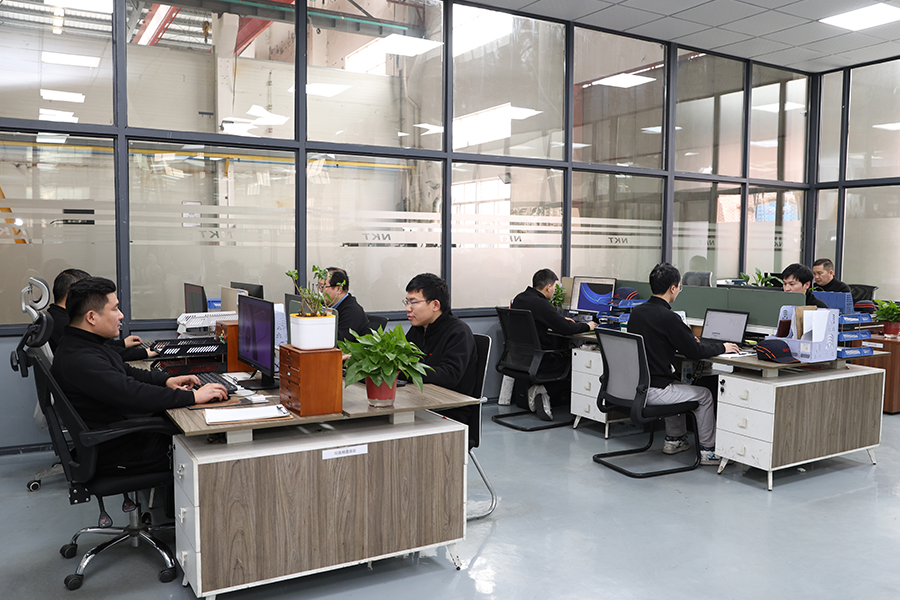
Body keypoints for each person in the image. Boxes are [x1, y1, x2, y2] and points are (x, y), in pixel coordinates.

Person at [51, 277, 228, 476]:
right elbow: (132, 393)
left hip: (120, 437)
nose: (121, 315)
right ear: (91, 317)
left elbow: (126, 372)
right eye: (115, 309)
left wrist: (166, 380)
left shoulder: (83, 344)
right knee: (208, 441)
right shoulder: (81, 358)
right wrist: (193, 396)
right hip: (122, 450)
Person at [627, 263, 740, 466]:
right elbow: (694, 352)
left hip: (636, 387)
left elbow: (658, 340)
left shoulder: (637, 312)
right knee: (704, 395)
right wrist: (723, 347)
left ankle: (675, 439)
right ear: (673, 288)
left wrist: (684, 340)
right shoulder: (669, 317)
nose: (679, 290)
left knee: (677, 384)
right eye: (679, 286)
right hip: (655, 389)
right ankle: (708, 450)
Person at [511, 268, 596, 420]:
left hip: (518, 358)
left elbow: (543, 319)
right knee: (574, 362)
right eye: (555, 287)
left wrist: (559, 320)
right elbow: (566, 329)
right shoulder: (540, 303)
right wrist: (588, 326)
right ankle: (542, 389)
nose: (554, 290)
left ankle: (540, 390)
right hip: (540, 361)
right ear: (548, 287)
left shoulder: (520, 298)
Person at [403, 273, 479, 444]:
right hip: (418, 402)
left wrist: (404, 372)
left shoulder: (458, 332)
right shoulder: (418, 329)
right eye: (407, 302)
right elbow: (401, 359)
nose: (408, 308)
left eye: (413, 302)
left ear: (435, 305)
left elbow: (449, 376)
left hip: (449, 411)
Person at [47, 268, 154, 360]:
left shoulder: (57, 316)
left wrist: (122, 343)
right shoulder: (66, 325)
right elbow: (102, 351)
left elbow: (100, 345)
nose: (121, 316)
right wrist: (144, 353)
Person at [320, 267, 369, 342]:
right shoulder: (322, 306)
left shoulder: (352, 311)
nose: (319, 291)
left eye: (323, 287)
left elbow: (339, 342)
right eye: (319, 286)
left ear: (339, 289)